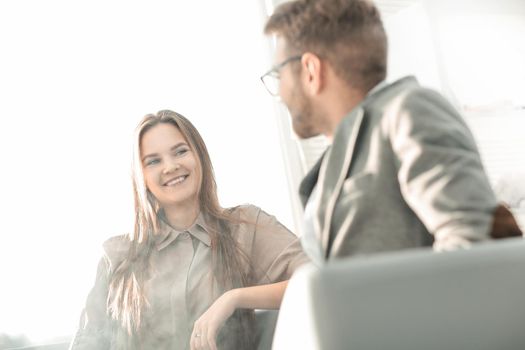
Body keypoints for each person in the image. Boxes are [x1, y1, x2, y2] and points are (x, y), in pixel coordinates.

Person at [261, 0, 522, 264]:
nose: (280, 93)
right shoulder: (338, 154)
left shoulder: (407, 111)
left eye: (278, 74)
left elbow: (474, 246)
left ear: (310, 70)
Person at [69, 110, 309, 350]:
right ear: (141, 177)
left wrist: (234, 298)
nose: (171, 166)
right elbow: (87, 341)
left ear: (199, 156)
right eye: (153, 161)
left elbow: (317, 279)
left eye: (180, 151)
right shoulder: (117, 255)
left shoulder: (244, 228)